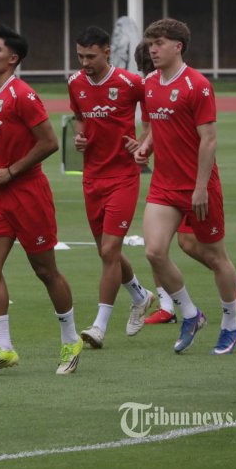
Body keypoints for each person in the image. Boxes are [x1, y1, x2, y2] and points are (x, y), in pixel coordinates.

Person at [0, 25, 82, 375]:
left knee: (45, 270)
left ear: (13, 58)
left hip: (28, 194)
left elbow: (49, 142)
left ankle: (70, 340)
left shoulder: (23, 94)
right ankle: (4, 349)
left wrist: (10, 170)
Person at [127, 18, 236, 354]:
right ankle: (190, 314)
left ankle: (230, 325)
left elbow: (209, 139)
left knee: (218, 258)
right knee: (154, 251)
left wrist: (201, 188)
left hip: (199, 187)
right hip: (164, 186)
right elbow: (158, 126)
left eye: (159, 43)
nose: (153, 50)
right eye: (150, 44)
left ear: (178, 46)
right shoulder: (150, 84)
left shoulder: (198, 85)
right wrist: (146, 145)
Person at [67, 26, 155, 348]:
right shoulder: (75, 83)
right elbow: (79, 117)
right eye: (80, 56)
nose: (84, 62)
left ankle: (99, 326)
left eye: (90, 56)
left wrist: (144, 146)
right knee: (108, 251)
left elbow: (153, 123)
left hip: (123, 176)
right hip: (91, 177)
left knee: (108, 251)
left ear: (107, 51)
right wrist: (80, 137)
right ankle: (141, 296)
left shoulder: (131, 83)